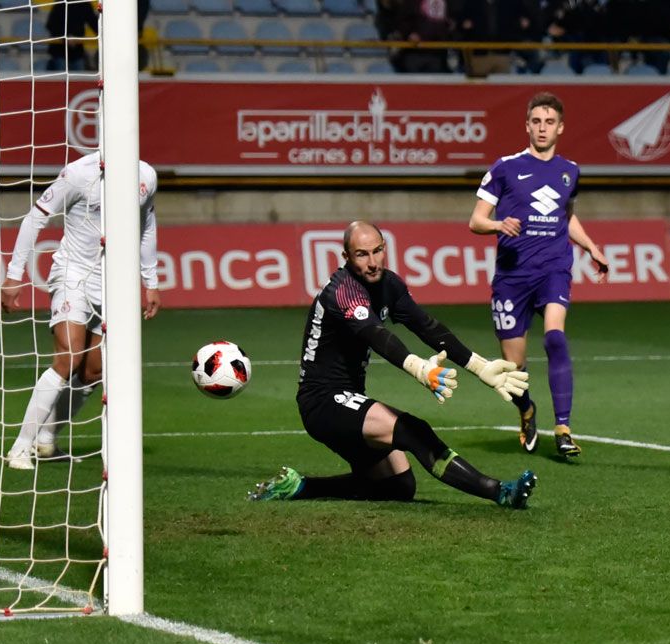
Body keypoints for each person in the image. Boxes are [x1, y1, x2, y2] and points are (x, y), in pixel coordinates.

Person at [247, 221, 536, 508]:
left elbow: (427, 327)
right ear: (346, 257)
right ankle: (499, 491)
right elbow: (376, 334)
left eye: (378, 251)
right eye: (362, 254)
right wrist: (419, 368)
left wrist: (478, 366)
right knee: (413, 430)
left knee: (399, 486)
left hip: (349, 399)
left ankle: (300, 486)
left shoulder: (389, 284)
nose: (373, 262)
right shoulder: (342, 291)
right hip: (322, 402)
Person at [469, 92, 609, 459]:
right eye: (536, 121)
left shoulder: (569, 170)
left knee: (555, 337)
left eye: (549, 122)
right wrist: (500, 224)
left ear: (560, 127)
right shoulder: (505, 167)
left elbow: (566, 216)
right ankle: (527, 410)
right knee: (514, 370)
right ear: (527, 125)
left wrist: (591, 247)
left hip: (554, 268)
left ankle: (563, 428)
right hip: (513, 277)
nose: (542, 128)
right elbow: (476, 220)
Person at [0, 151, 161, 470]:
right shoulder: (78, 173)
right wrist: (14, 274)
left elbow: (147, 225)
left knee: (93, 372)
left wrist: (150, 280)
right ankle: (20, 447)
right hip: (73, 273)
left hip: (115, 283)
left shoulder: (146, 176)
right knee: (69, 358)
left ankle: (46, 440)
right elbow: (36, 217)